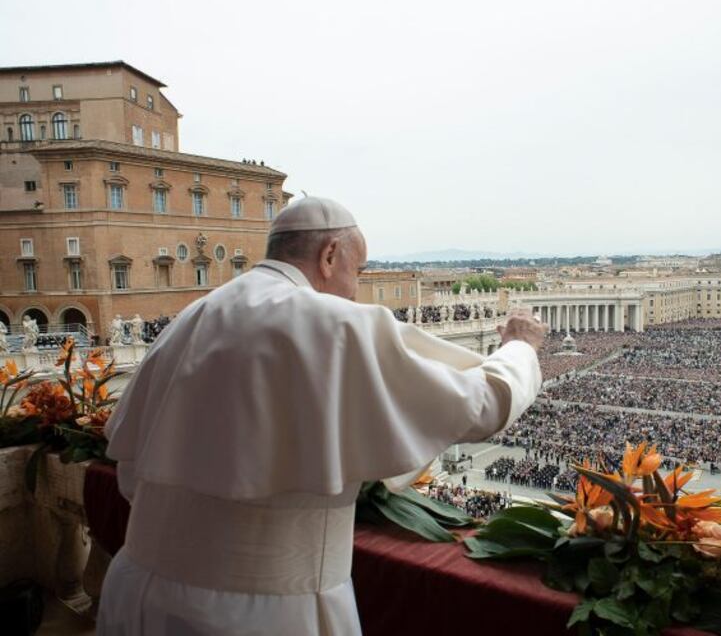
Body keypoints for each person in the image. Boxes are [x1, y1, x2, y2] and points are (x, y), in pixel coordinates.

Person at [97, 197, 546, 635]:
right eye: (359, 270)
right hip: (259, 613)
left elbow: (132, 468)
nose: (355, 287)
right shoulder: (334, 323)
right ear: (330, 255)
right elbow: (480, 404)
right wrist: (520, 348)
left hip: (136, 590)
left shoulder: (193, 315)